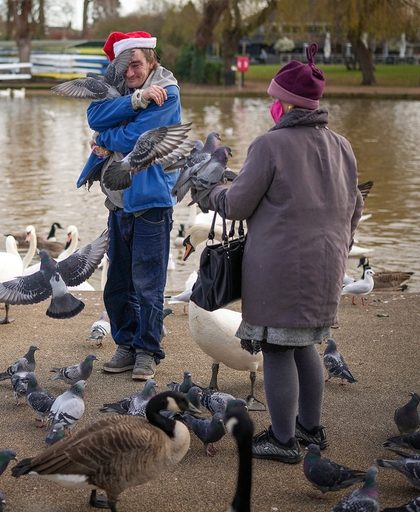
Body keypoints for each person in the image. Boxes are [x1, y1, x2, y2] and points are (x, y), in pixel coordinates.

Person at [205, 42, 363, 463]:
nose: (271, 107)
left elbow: (237, 204)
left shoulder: (269, 146)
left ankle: (281, 439)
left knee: (276, 349)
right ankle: (311, 430)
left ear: (287, 104)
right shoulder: (342, 145)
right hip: (326, 265)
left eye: (274, 100)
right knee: (307, 344)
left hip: (280, 268)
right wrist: (339, 245)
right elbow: (356, 208)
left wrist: (214, 192)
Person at [77, 31, 181, 381]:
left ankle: (148, 351)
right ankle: (126, 343)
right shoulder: (122, 85)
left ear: (152, 60)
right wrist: (135, 100)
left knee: (148, 285)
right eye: (125, 66)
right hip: (119, 200)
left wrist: (105, 139)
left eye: (136, 64)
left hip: (151, 201)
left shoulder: (169, 92)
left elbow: (137, 137)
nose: (130, 72)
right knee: (117, 284)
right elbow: (94, 114)